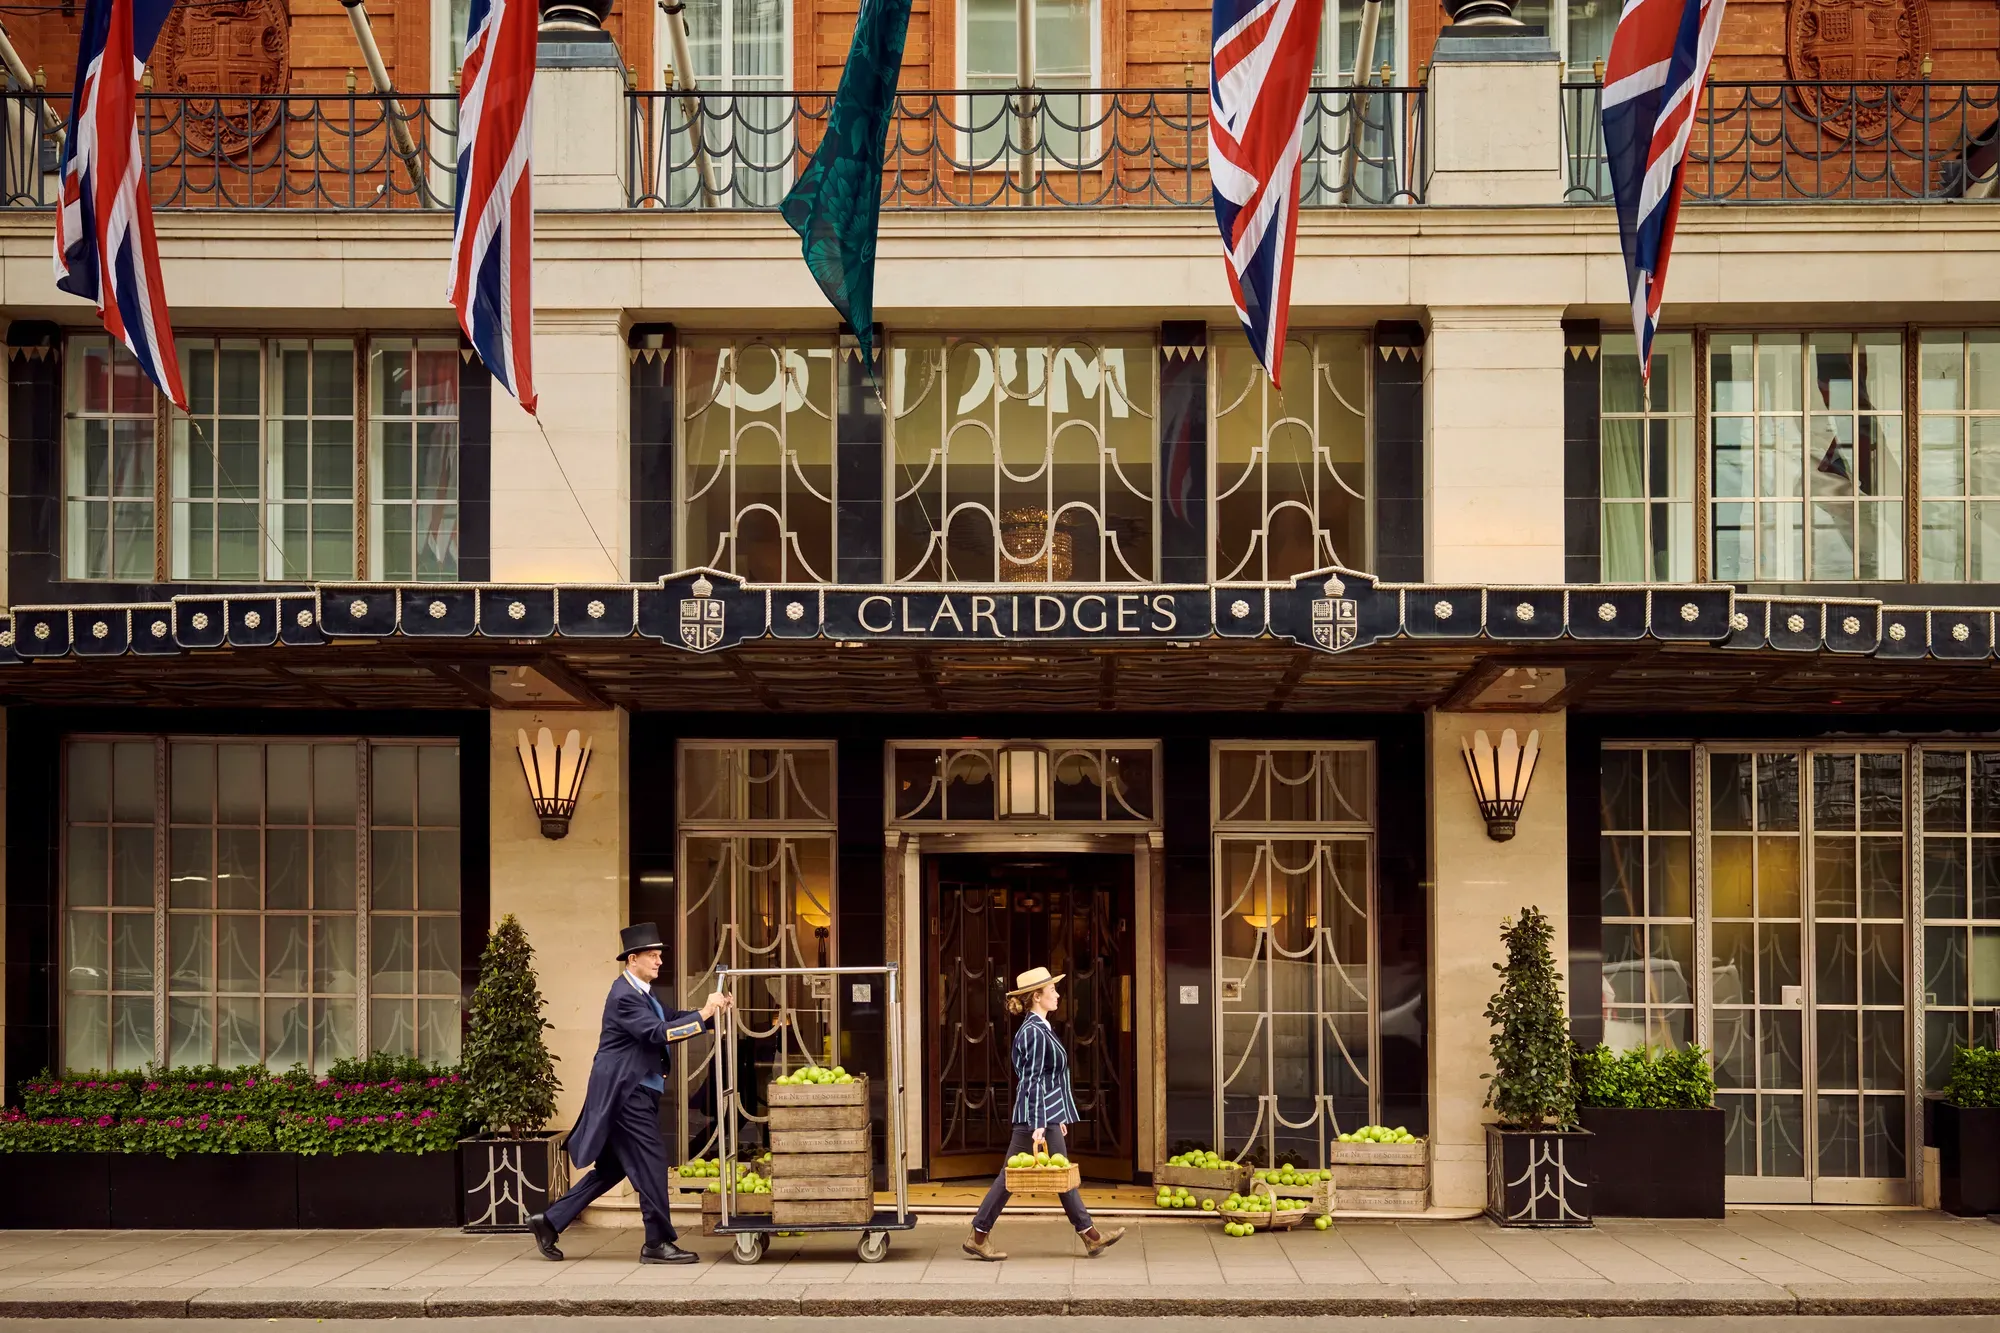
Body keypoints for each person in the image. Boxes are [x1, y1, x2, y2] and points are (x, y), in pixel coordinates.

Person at [528, 922, 732, 1265]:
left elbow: (671, 1019)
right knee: (652, 1163)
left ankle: (549, 1221)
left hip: (634, 1093)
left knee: (611, 1170)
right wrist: (704, 1013)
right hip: (626, 1096)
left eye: (659, 956)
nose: (659, 962)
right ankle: (657, 1242)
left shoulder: (642, 994)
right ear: (632, 959)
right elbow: (657, 1033)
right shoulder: (623, 996)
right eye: (652, 956)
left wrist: (710, 1015)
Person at [963, 965, 1125, 1261]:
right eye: (1052, 991)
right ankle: (979, 1235)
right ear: (1037, 997)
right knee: (1011, 1177)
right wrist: (1039, 1124)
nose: (1058, 995)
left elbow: (1046, 1078)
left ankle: (1090, 1236)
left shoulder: (1039, 1027)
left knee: (1060, 1176)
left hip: (1044, 1114)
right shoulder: (1034, 1032)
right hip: (1034, 1117)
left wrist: (1057, 1116)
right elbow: (1033, 1079)